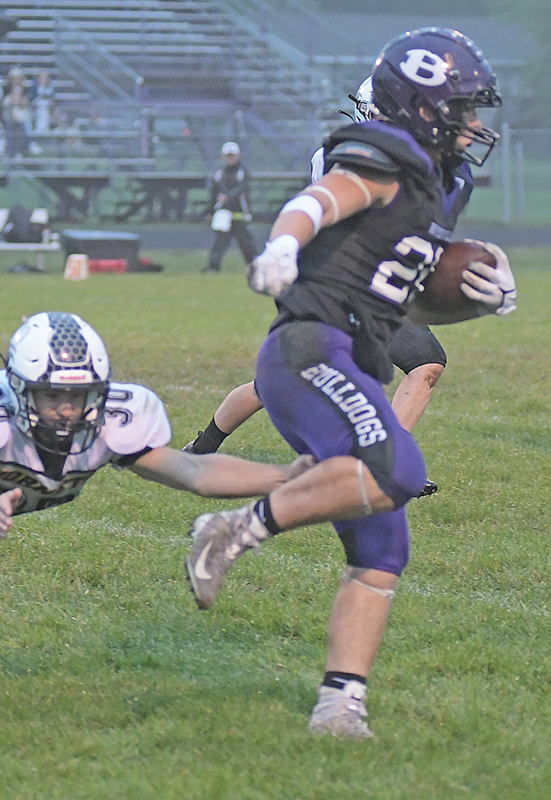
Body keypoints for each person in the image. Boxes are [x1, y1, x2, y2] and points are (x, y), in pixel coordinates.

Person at [184, 28, 517, 739]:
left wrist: (476, 296)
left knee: (382, 549)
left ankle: (339, 706)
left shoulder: (441, 182)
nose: (475, 123)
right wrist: (282, 243)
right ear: (422, 108)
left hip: (358, 357)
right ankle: (234, 529)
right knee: (399, 467)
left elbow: (406, 301)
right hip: (311, 348)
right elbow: (321, 198)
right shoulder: (386, 151)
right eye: (463, 107)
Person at [0, 312, 307, 675]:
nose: (66, 409)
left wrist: (287, 476)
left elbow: (193, 471)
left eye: (79, 395)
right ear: (19, 389)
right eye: (52, 395)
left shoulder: (116, 420)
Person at [185, 78, 447, 497]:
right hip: (334, 284)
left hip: (381, 288)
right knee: (281, 381)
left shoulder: (417, 163)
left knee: (426, 363)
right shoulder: (343, 156)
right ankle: (203, 446)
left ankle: (388, 463)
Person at [203, 141, 259, 273]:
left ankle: (255, 267)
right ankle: (213, 266)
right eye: (228, 156)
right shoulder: (219, 173)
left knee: (247, 244)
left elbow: (242, 189)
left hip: (240, 214)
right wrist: (210, 211)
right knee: (219, 243)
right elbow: (213, 193)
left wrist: (228, 197)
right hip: (224, 213)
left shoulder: (242, 172)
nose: (230, 158)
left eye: (232, 155)